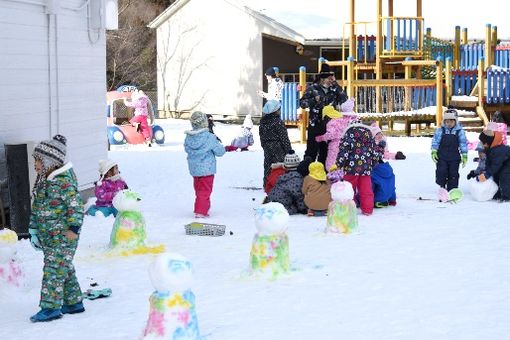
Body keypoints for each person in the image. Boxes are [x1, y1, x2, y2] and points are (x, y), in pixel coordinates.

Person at [28, 134, 85, 322]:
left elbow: (76, 206)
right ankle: (73, 302)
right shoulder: (44, 180)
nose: (35, 164)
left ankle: (50, 307)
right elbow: (37, 207)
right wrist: (34, 229)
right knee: (64, 267)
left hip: (64, 235)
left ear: (50, 161)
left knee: (53, 270)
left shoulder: (63, 181)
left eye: (38, 160)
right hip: (49, 236)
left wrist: (73, 229)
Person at [299, 63, 347, 165]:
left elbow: (344, 100)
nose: (331, 80)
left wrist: (337, 86)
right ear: (322, 79)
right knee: (311, 153)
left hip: (330, 127)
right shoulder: (313, 88)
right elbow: (302, 103)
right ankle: (307, 176)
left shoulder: (334, 89)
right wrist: (314, 101)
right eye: (329, 78)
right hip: (315, 125)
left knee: (326, 154)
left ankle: (324, 177)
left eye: (332, 78)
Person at [184, 111, 226, 218]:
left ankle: (202, 207)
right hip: (207, 170)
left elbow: (187, 149)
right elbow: (220, 152)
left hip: (194, 169)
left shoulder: (189, 137)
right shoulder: (209, 137)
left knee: (199, 190)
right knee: (205, 191)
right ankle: (201, 211)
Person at [336, 121, 381, 216]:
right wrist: (372, 164)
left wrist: (339, 164)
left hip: (350, 169)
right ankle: (367, 209)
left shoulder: (348, 135)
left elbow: (343, 152)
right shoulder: (369, 135)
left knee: (348, 189)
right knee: (366, 190)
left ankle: (348, 210)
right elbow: (375, 153)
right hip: (365, 169)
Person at [315, 99, 358, 171]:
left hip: (336, 145)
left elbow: (332, 134)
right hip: (351, 145)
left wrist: (321, 138)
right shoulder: (354, 120)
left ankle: (334, 179)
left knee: (332, 164)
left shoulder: (333, 122)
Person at [431, 109, 468, 191]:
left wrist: (464, 154)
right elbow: (435, 141)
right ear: (444, 122)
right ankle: (442, 186)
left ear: (455, 121)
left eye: (451, 121)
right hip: (442, 156)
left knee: (453, 173)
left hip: (454, 157)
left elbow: (463, 143)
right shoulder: (440, 130)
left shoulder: (459, 131)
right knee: (441, 171)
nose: (449, 124)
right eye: (447, 122)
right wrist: (434, 151)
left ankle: (452, 189)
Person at [259, 100, 291, 186]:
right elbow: (284, 137)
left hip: (267, 146)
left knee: (268, 165)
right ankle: (279, 183)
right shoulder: (278, 122)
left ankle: (266, 183)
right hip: (278, 147)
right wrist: (289, 150)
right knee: (279, 165)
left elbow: (261, 136)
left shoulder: (263, 122)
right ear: (276, 110)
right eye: (279, 109)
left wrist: (264, 146)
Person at [267, 150, 307, 215]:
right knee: (293, 209)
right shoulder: (296, 179)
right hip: (282, 206)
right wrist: (302, 209)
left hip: (271, 200)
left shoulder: (283, 176)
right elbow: (299, 196)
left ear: (285, 167)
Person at [476, 129, 510, 201]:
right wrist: (483, 172)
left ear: (489, 142)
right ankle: (497, 193)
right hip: (501, 165)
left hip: (507, 165)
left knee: (504, 179)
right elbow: (489, 163)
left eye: (483, 142)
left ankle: (507, 196)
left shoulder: (498, 150)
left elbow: (495, 165)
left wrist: (486, 175)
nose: (482, 144)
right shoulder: (490, 148)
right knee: (495, 177)